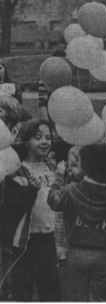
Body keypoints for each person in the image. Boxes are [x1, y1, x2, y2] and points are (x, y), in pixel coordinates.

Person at [47, 143, 106, 301]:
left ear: (85, 165)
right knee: (102, 299)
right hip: (105, 255)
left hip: (77, 253)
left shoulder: (72, 190)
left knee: (77, 299)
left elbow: (54, 201)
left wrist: (58, 177)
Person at [0, 119, 61, 301]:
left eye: (48, 138)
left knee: (51, 293)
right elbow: (12, 211)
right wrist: (29, 191)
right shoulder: (17, 172)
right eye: (38, 137)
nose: (44, 142)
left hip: (48, 240)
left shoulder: (52, 169)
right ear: (27, 141)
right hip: (25, 243)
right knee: (23, 294)